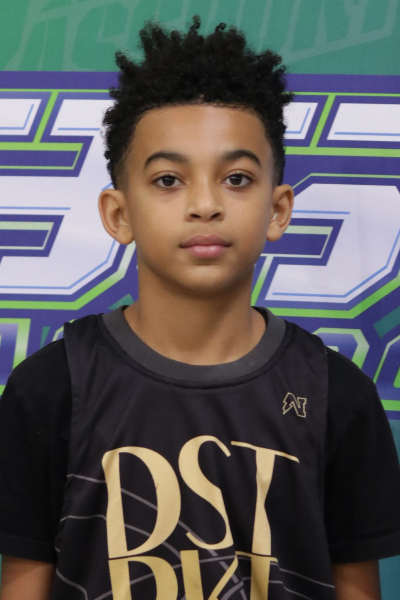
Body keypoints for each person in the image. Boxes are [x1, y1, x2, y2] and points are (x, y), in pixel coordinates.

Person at [0, 17, 399, 600]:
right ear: (118, 214)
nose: (206, 204)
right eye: (168, 180)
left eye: (236, 178)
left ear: (278, 210)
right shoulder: (49, 391)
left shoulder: (337, 397)